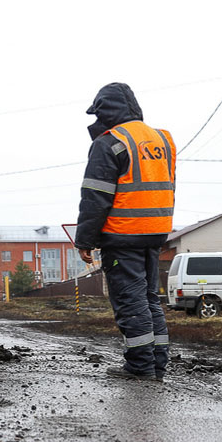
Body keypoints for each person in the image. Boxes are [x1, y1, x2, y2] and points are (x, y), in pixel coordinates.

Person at [75, 83, 176, 381]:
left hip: (123, 234)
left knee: (131, 302)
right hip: (155, 232)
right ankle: (157, 363)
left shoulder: (110, 142)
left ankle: (140, 367)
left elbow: (96, 197)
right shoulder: (162, 139)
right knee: (148, 300)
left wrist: (86, 240)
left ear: (106, 110)